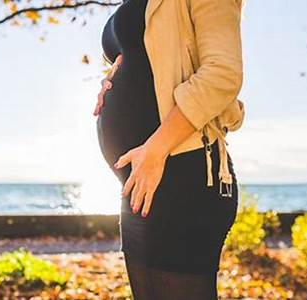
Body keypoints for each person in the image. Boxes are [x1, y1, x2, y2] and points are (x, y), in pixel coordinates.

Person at [94, 0, 244, 298]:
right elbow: (147, 61)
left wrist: (155, 149)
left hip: (183, 175)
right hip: (139, 183)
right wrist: (110, 80)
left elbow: (222, 73)